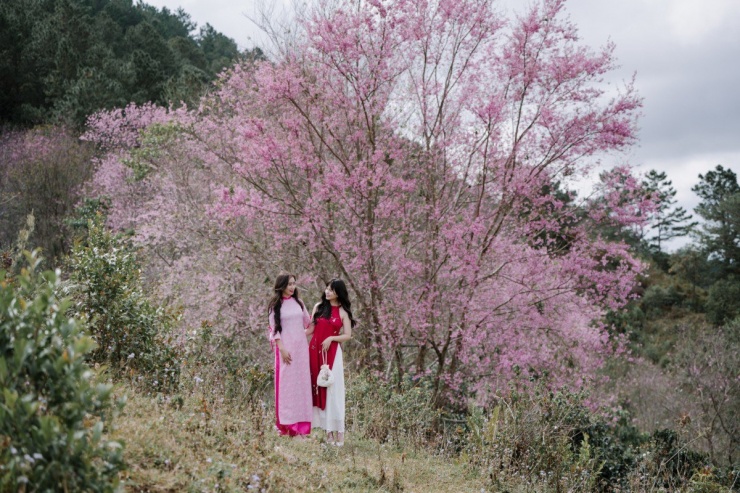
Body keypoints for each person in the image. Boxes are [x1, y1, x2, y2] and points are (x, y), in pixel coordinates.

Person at [307, 278, 356, 446]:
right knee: (319, 388)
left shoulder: (343, 312)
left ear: (338, 293)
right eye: (327, 288)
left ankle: (339, 433)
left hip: (333, 353)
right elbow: (310, 329)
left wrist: (331, 338)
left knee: (334, 390)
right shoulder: (319, 307)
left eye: (332, 290)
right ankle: (327, 432)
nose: (327, 292)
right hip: (315, 351)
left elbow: (348, 335)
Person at [268, 273, 313, 436]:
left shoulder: (299, 303)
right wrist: (282, 349)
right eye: (289, 284)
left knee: (302, 386)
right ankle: (288, 426)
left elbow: (309, 324)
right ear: (281, 286)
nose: (292, 287)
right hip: (285, 352)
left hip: (301, 351)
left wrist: (301, 336)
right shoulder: (275, 305)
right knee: (287, 387)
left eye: (294, 283)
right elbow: (274, 330)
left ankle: (302, 428)